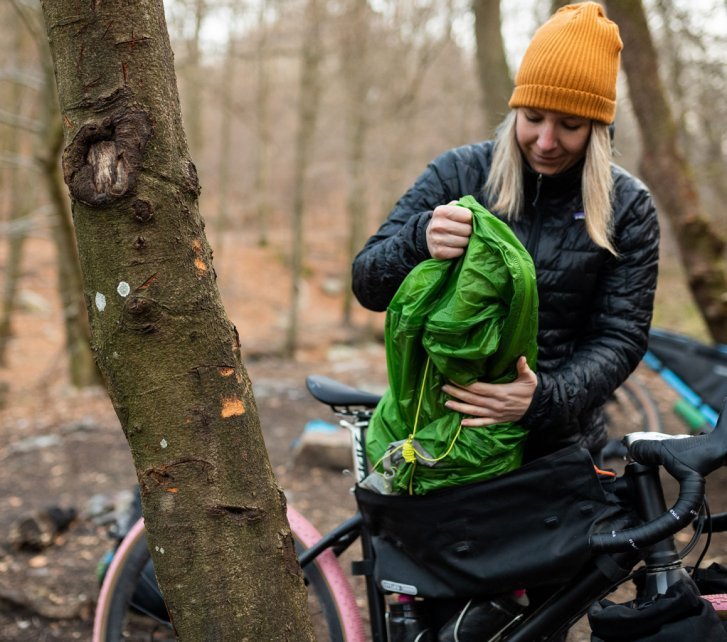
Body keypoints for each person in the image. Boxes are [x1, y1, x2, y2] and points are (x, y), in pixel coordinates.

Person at [352, 1, 659, 467]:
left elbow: (621, 336)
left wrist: (542, 400)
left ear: (598, 129)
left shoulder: (628, 206)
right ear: (515, 108)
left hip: (558, 450)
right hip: (436, 441)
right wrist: (419, 241)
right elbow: (368, 285)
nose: (546, 141)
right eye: (533, 117)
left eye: (570, 125)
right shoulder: (457, 173)